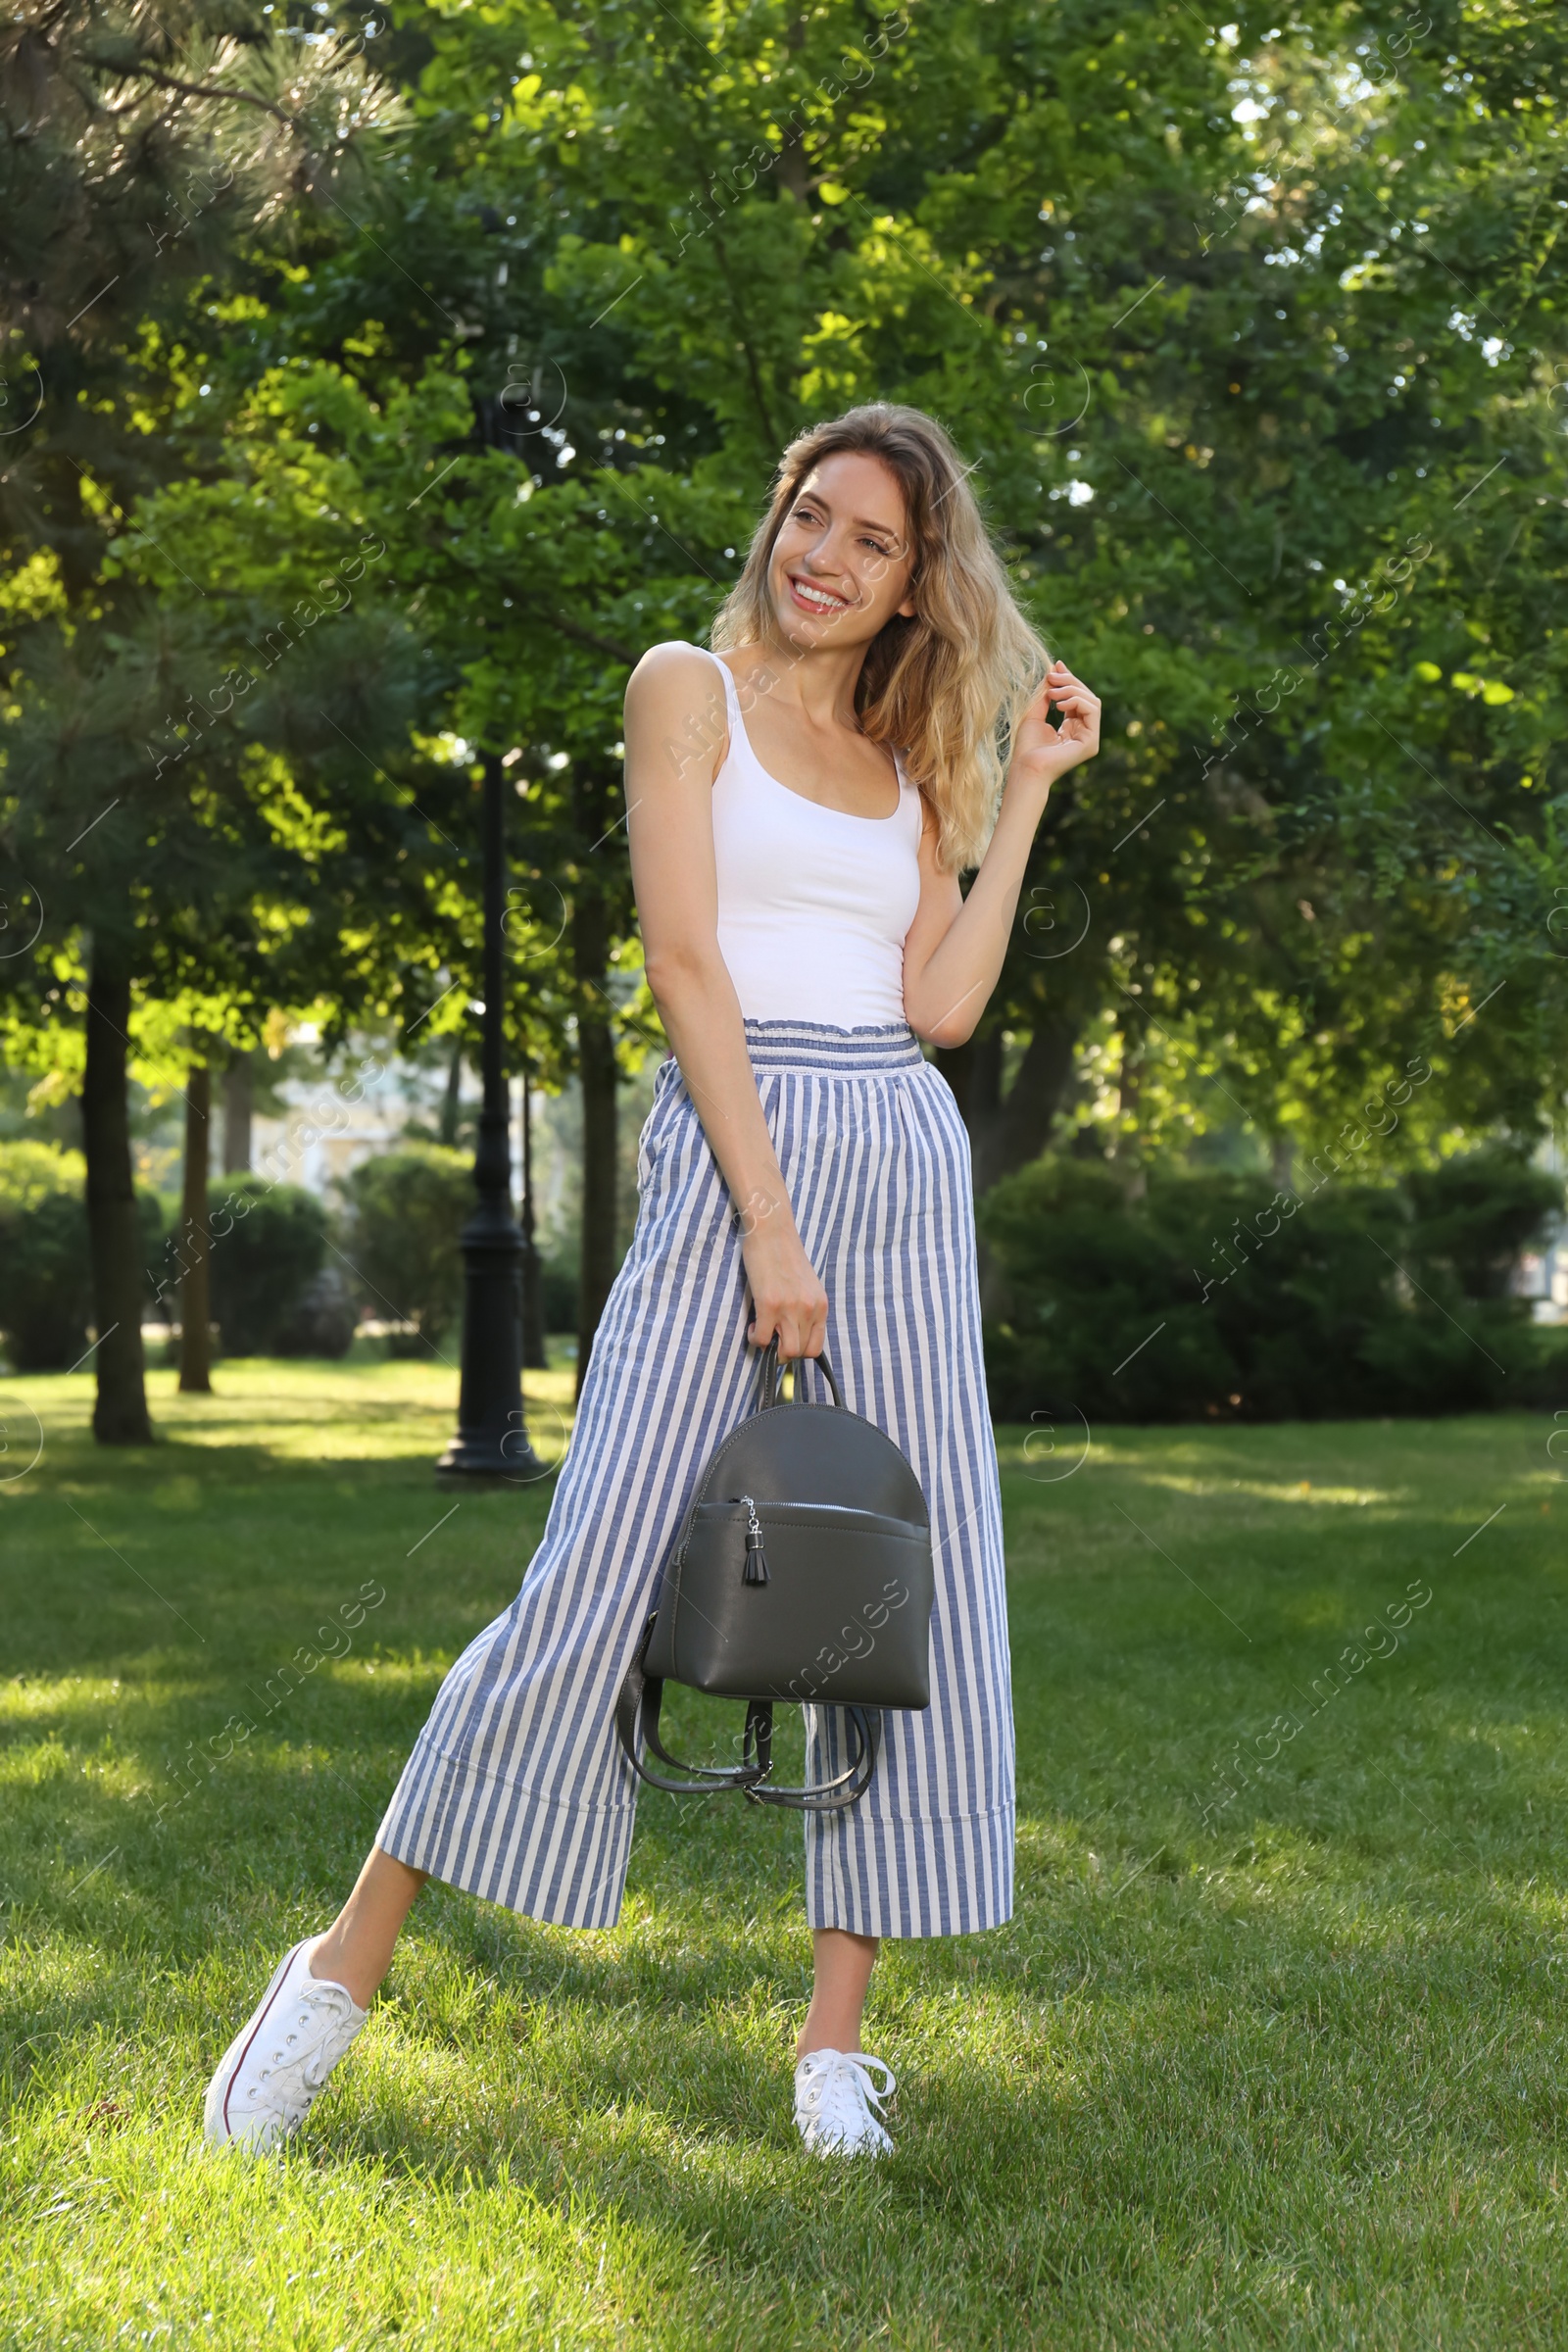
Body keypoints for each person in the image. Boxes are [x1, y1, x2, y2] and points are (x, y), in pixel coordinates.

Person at [203, 400, 1101, 2162]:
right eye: (812, 517)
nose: (827, 559)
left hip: (902, 1166)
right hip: (737, 1151)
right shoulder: (682, 688)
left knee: (914, 1596)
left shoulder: (919, 755)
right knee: (594, 1571)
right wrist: (766, 1220)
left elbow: (942, 1008)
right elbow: (687, 961)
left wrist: (1030, 801)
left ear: (920, 584)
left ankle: (834, 2047)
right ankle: (334, 1972)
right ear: (777, 519)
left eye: (872, 543)